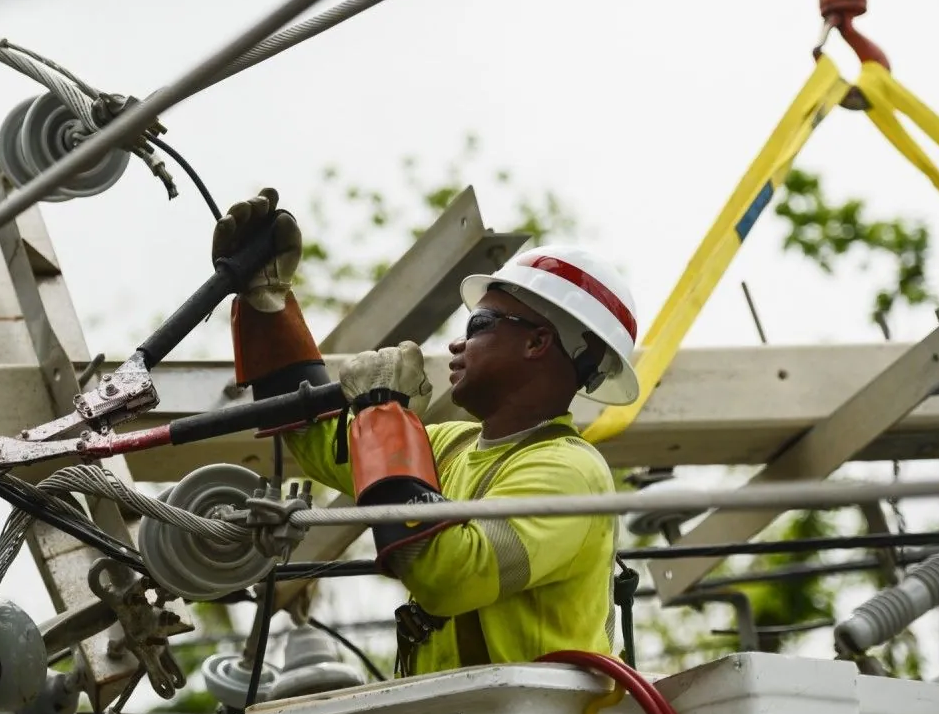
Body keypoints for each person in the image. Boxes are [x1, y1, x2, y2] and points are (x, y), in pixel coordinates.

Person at [214, 188, 642, 677]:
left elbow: (449, 573)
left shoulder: (571, 471)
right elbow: (318, 439)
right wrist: (265, 305)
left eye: (480, 323)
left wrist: (382, 411)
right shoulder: (448, 447)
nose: (459, 341)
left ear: (538, 342)